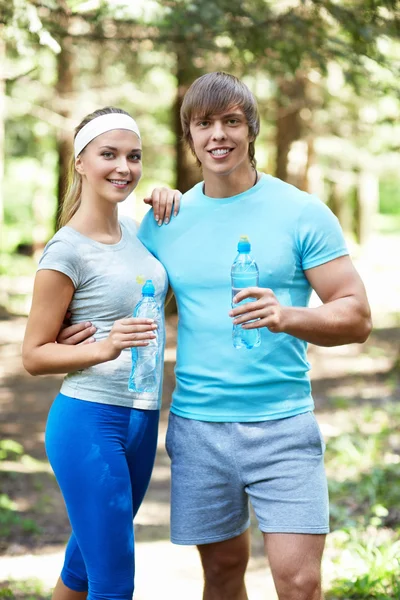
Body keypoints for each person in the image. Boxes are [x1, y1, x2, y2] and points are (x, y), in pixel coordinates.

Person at [61, 73, 372, 600]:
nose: (217, 135)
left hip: (283, 426)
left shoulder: (302, 212)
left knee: (300, 582)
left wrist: (287, 316)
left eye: (230, 121)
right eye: (203, 123)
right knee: (223, 574)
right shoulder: (166, 220)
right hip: (199, 427)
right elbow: (112, 283)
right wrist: (74, 331)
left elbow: (358, 316)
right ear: (189, 136)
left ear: (250, 129)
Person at [22, 106, 181, 600]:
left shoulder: (135, 232)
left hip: (141, 420)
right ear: (80, 163)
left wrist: (170, 197)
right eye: (108, 154)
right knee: (114, 583)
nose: (123, 168)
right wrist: (103, 347)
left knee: (82, 570)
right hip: (89, 421)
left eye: (134, 157)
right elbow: (33, 355)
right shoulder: (65, 250)